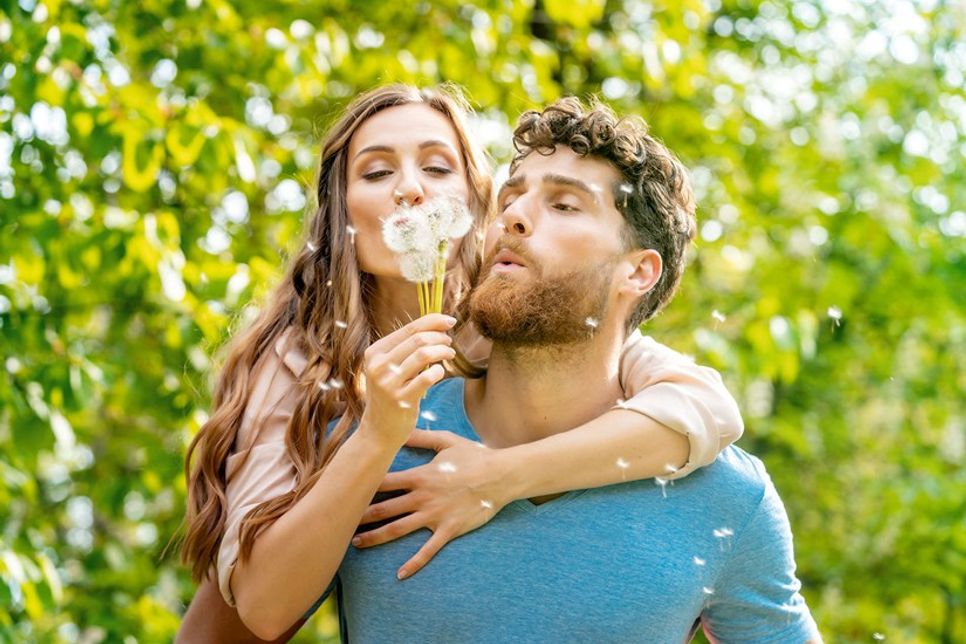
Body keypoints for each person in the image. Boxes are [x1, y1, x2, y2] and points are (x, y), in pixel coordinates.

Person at [177, 85, 744, 641]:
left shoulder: (509, 319)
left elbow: (705, 408)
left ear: (479, 203)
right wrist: (376, 434)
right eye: (376, 173)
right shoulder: (299, 357)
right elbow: (259, 611)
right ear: (339, 213)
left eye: (438, 169)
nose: (410, 190)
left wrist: (498, 477)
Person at [307, 97, 820, 642]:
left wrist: (500, 478)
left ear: (639, 273)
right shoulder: (374, 436)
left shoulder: (726, 498)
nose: (513, 217)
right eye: (512, 197)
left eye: (565, 205)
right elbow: (247, 617)